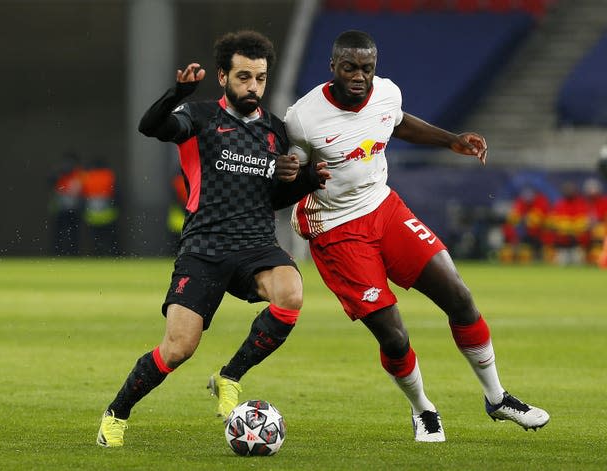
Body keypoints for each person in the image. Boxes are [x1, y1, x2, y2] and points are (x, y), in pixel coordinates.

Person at [282, 30, 549, 442]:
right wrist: (300, 177)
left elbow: (400, 124)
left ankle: (497, 398)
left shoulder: (387, 93)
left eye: (367, 68)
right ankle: (423, 409)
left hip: (384, 208)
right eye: (350, 67)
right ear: (333, 66)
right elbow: (287, 181)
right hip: (336, 230)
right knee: (394, 334)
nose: (359, 76)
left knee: (459, 298)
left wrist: (451, 140)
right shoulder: (303, 117)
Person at [96, 30, 329, 448]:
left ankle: (230, 376)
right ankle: (117, 413)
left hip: (256, 244)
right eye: (243, 77)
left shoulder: (275, 132)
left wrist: (306, 179)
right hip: (204, 248)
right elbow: (151, 126)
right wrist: (176, 92)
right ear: (222, 76)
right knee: (178, 348)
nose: (252, 86)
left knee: (291, 293)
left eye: (259, 78)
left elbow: (275, 197)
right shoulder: (199, 117)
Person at [500, 185, 550, 263]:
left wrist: (525, 219)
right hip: (525, 234)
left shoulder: (541, 201)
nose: (528, 199)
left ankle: (542, 259)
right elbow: (514, 216)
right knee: (518, 244)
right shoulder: (520, 201)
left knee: (544, 244)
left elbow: (536, 219)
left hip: (540, 234)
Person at [81, 158, 120, 256]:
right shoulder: (109, 176)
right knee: (111, 240)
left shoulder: (87, 177)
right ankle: (112, 256)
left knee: (95, 240)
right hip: (109, 215)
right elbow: (118, 194)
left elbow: (82, 196)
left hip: (92, 215)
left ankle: (96, 256)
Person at [49, 151, 84, 256]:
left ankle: (72, 254)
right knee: (58, 234)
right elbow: (50, 181)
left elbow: (83, 189)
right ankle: (57, 254)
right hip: (60, 209)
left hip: (74, 209)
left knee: (73, 234)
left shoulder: (80, 174)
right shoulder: (59, 173)